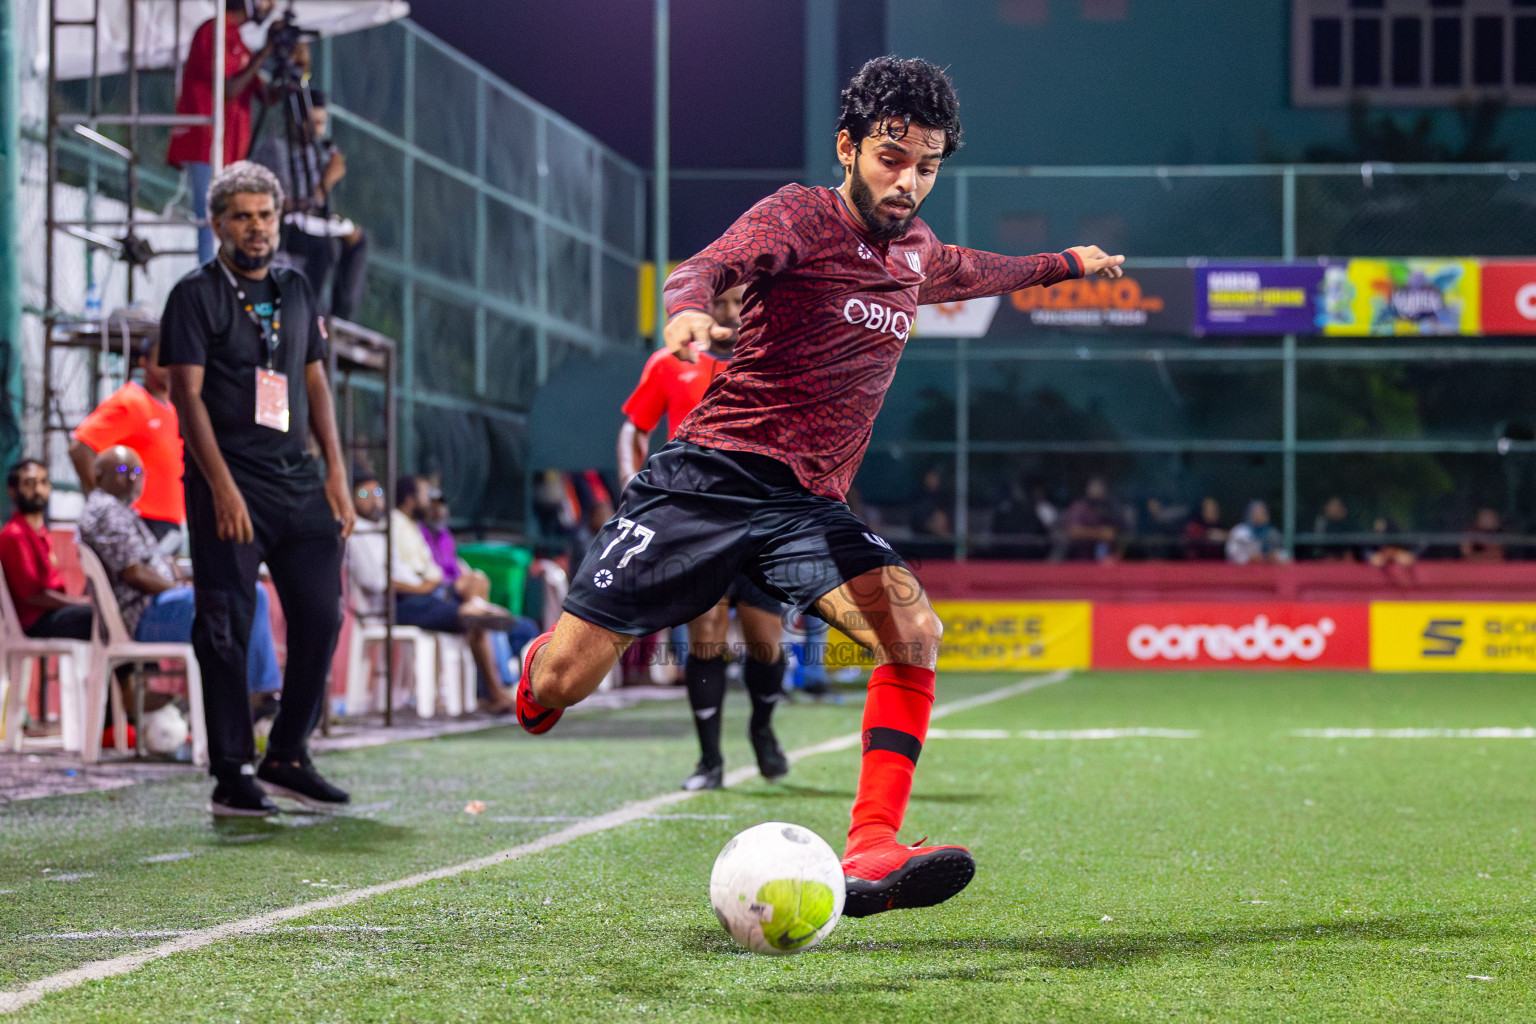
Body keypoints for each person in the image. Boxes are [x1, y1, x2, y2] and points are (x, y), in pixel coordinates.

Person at [515, 56, 1125, 918]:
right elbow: (712, 263)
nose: (907, 180)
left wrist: (1066, 260)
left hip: (804, 509)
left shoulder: (916, 254)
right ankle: (540, 665)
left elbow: (983, 269)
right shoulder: (801, 214)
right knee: (562, 688)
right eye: (890, 157)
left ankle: (873, 842)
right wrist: (690, 306)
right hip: (706, 481)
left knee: (911, 628)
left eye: (927, 165)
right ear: (849, 146)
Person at [159, 160, 354, 818]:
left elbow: (317, 384)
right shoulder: (195, 295)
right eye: (241, 216)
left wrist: (337, 472)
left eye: (264, 215)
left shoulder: (298, 289)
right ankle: (231, 771)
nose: (255, 227)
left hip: (298, 482)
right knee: (225, 626)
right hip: (228, 480)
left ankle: (288, 754)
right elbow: (187, 398)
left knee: (322, 613)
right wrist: (222, 487)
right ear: (218, 224)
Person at [616, 283, 790, 791]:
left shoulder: (773, 360)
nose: (732, 314)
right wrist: (633, 485)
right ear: (706, 309)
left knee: (766, 642)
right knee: (707, 629)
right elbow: (634, 428)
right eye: (723, 304)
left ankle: (762, 728)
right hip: (695, 520)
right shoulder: (670, 362)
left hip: (761, 518)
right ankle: (709, 760)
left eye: (742, 304)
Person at [78, 445, 282, 692]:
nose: (132, 477)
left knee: (243, 598)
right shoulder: (106, 510)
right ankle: (257, 696)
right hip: (144, 615)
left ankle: (248, 695)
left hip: (156, 607)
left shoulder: (116, 510)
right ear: (98, 474)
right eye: (123, 470)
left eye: (137, 472)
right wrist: (182, 588)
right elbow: (134, 573)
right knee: (248, 597)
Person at [391, 475, 517, 713]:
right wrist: (426, 585)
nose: (429, 502)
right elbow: (390, 576)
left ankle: (493, 691)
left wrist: (433, 582)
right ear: (409, 499)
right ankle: (494, 692)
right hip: (412, 601)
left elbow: (435, 571)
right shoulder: (394, 525)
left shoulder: (414, 527)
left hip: (434, 593)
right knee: (477, 618)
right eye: (424, 495)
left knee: (477, 586)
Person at [166, 0, 276, 264]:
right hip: (206, 142)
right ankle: (209, 280)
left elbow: (264, 95)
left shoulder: (236, 39)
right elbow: (228, 88)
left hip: (227, 147)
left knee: (226, 218)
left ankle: (223, 278)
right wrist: (263, 55)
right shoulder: (213, 32)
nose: (269, 6)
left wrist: (290, 69)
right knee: (211, 218)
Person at [250, 89, 370, 320]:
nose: (317, 130)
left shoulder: (315, 153)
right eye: (312, 122)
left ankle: (339, 318)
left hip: (313, 222)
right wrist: (324, 183)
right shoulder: (275, 149)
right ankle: (306, 315)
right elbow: (279, 204)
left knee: (357, 240)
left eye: (321, 123)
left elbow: (320, 203)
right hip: (284, 227)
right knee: (323, 249)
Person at [69, 337, 185, 544]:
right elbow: (80, 447)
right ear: (144, 362)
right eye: (161, 360)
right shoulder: (131, 401)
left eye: (174, 359)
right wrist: (103, 506)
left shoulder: (175, 407)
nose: (168, 367)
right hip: (139, 521)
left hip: (170, 522)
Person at [0, 459, 94, 640]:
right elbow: (32, 596)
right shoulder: (14, 534)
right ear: (13, 491)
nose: (38, 490)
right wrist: (78, 603)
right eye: (29, 483)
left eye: (43, 482)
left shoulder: (39, 532)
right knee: (101, 618)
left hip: (51, 615)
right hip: (35, 622)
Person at [1064, 477, 1119, 562]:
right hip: (1080, 556)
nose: (1097, 490)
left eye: (1100, 487)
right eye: (1095, 487)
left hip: (1103, 557)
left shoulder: (1107, 507)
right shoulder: (1079, 507)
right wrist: (1099, 534)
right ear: (1087, 488)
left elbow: (1113, 533)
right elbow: (1074, 531)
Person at [1226, 500, 1288, 565]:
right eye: (1256, 512)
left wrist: (1271, 557)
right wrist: (1248, 558)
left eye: (1262, 513)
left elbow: (1282, 554)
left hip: (1266, 567)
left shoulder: (1272, 533)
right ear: (1250, 514)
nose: (1259, 515)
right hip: (1243, 567)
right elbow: (1231, 552)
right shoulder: (1240, 531)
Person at [1182, 496, 1227, 561]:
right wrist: (1208, 534)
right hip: (1198, 564)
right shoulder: (1194, 526)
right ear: (1202, 510)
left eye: (1215, 509)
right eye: (1209, 509)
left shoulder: (1221, 526)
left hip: (1218, 565)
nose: (1213, 512)